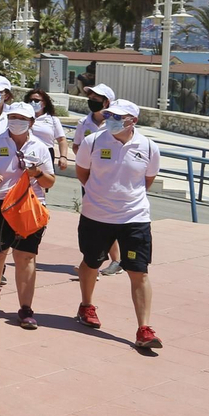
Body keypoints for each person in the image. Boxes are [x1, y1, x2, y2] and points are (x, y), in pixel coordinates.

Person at [74, 99, 163, 349]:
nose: (110, 119)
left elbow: (147, 181)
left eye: (117, 116)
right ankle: (86, 305)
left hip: (134, 218)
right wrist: (100, 195)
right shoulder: (93, 142)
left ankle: (144, 329)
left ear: (132, 121)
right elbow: (83, 173)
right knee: (92, 262)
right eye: (109, 114)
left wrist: (125, 199)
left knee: (139, 271)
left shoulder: (148, 146)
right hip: (96, 216)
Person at [0, 103, 57, 328]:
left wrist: (38, 173)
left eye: (22, 118)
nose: (16, 121)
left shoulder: (41, 147)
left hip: (29, 208)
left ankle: (25, 308)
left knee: (25, 257)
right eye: (12, 116)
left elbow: (50, 182)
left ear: (31, 122)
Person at [75, 83, 126, 276]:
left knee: (111, 219)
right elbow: (77, 145)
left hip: (111, 180)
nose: (92, 102)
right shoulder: (83, 123)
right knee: (94, 219)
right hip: (91, 179)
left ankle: (116, 260)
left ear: (107, 102)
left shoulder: (115, 122)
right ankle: (94, 260)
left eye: (97, 99)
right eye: (91, 98)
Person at [26, 88, 74, 170]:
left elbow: (61, 139)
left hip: (46, 153)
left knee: (45, 179)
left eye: (36, 100)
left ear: (44, 103)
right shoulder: (22, 117)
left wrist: (63, 157)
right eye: (31, 100)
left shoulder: (52, 119)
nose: (33, 103)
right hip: (26, 151)